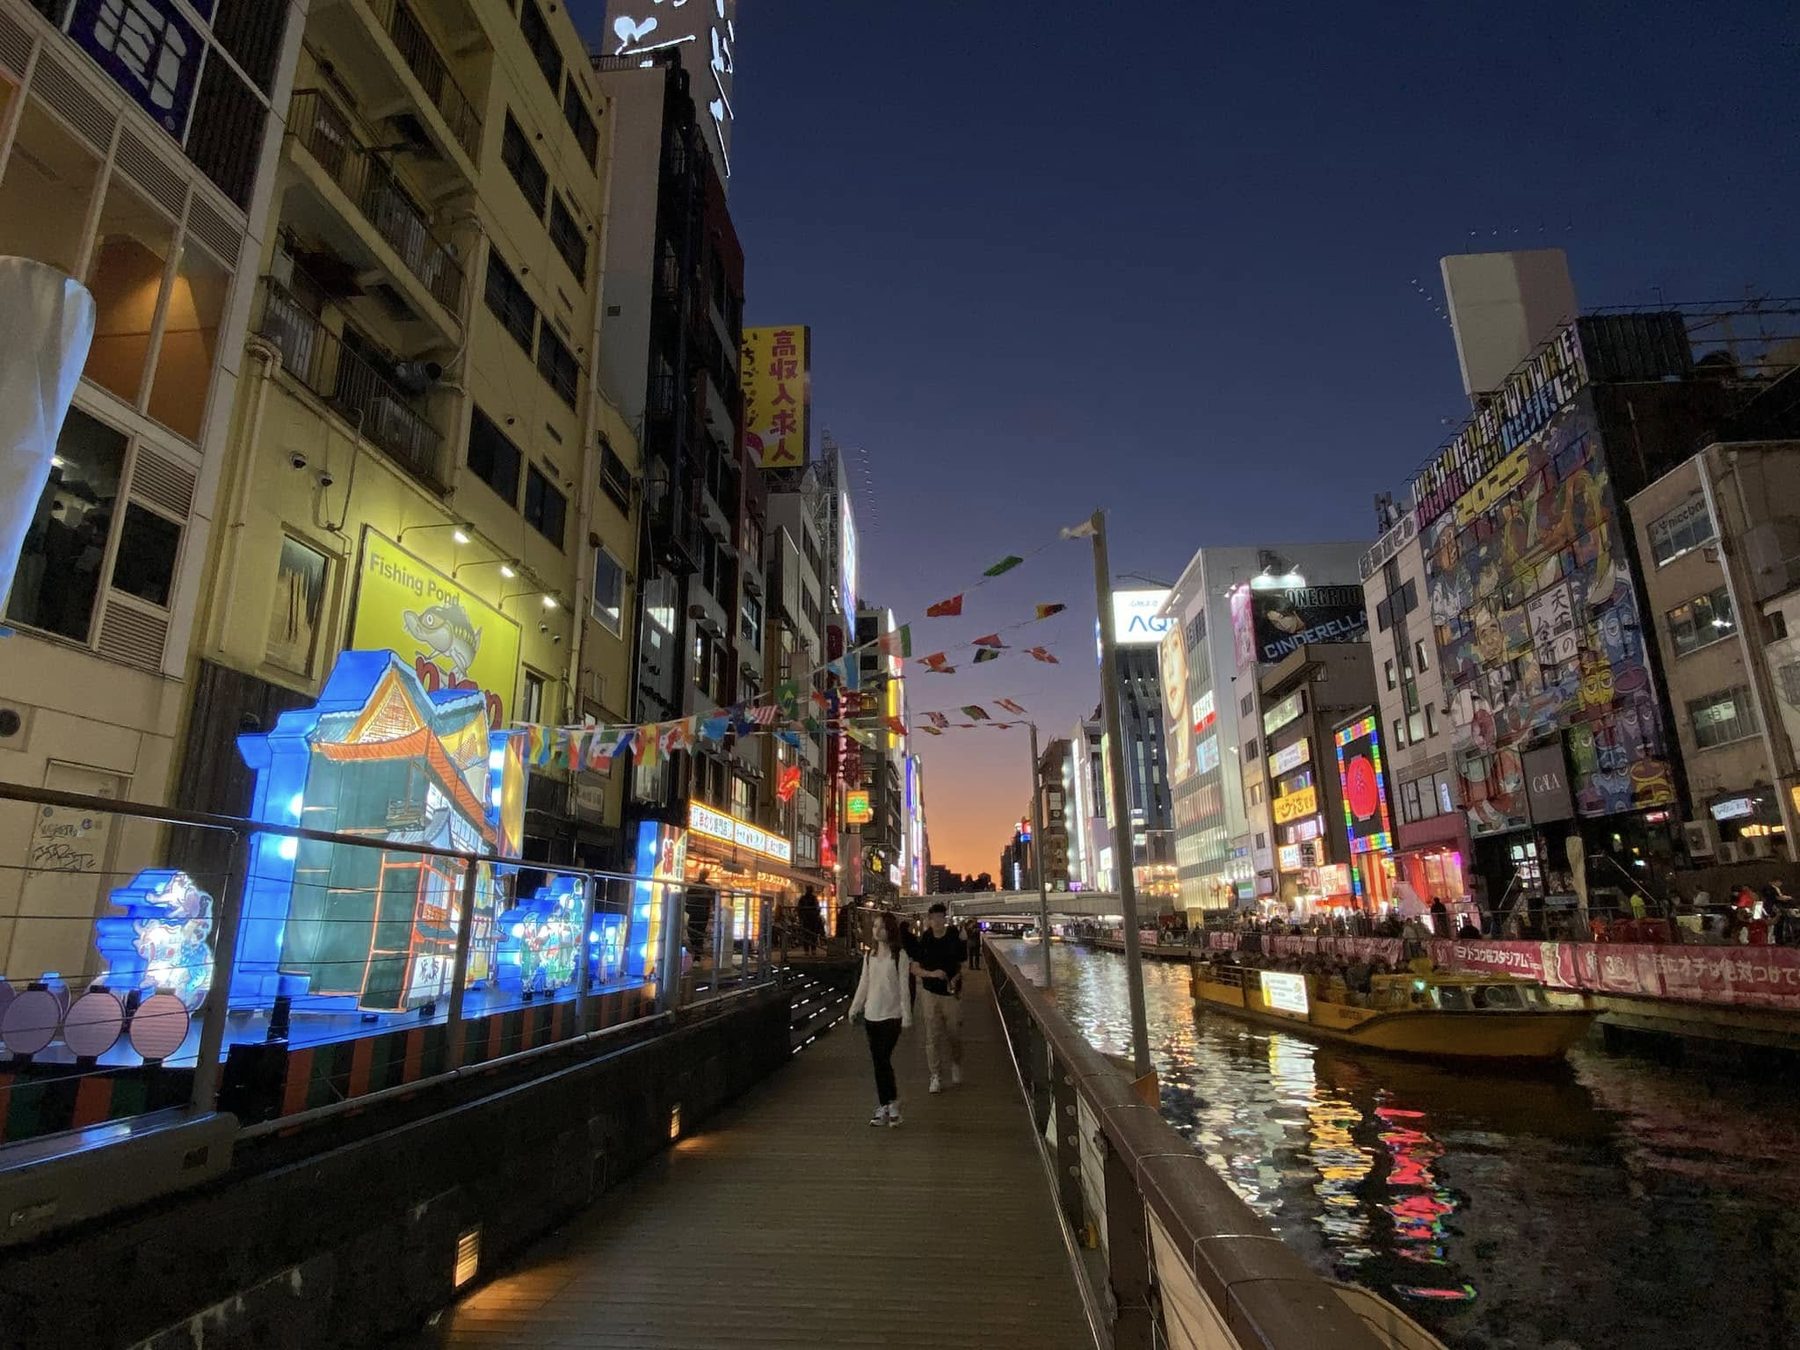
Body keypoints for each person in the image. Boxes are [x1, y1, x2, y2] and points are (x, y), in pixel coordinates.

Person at [849, 911, 912, 1127]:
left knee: (882, 1059)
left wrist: (907, 1015)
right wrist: (855, 1007)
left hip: (892, 1015)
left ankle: (890, 1104)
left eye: (881, 927)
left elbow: (904, 987)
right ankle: (887, 1104)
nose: (877, 930)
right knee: (879, 1062)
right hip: (871, 1015)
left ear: (890, 930)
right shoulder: (869, 956)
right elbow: (864, 983)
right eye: (875, 926)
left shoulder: (900, 956)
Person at [910, 902, 967, 1093]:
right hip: (929, 993)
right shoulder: (925, 939)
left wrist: (955, 979)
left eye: (940, 917)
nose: (936, 921)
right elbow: (915, 968)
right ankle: (935, 1075)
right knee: (931, 1037)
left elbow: (962, 963)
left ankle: (956, 1063)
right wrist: (932, 974)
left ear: (945, 919)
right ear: (929, 920)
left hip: (951, 994)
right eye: (933, 918)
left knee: (954, 1034)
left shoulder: (953, 936)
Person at [797, 885, 822, 955]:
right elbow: (817, 909)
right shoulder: (813, 898)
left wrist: (801, 917)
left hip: (807, 919)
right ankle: (812, 950)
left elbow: (799, 909)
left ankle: (807, 950)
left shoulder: (803, 899)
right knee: (812, 935)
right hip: (812, 919)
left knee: (807, 935)